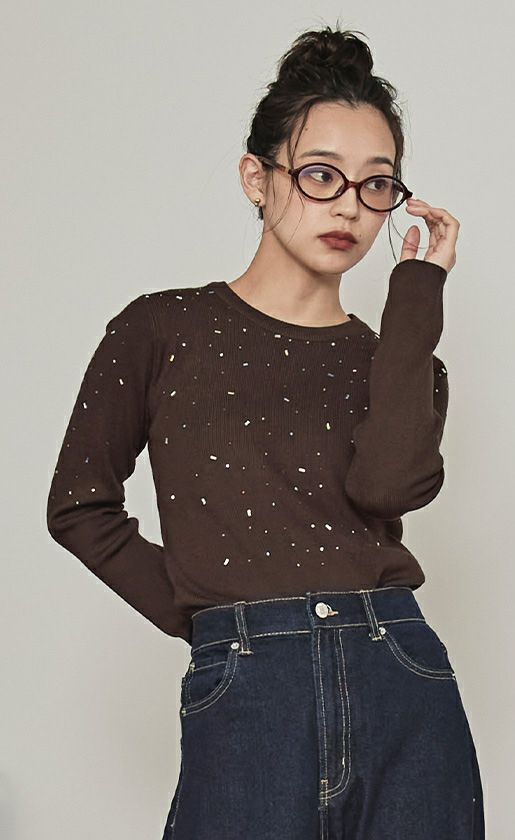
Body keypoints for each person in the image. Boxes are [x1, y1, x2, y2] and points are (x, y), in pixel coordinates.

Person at [46, 23, 485, 840]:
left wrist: (418, 292)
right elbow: (78, 505)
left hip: (401, 674)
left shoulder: (401, 361)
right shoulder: (161, 329)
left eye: (376, 184)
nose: (348, 206)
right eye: (320, 174)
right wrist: (211, 618)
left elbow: (386, 486)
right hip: (247, 688)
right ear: (257, 176)